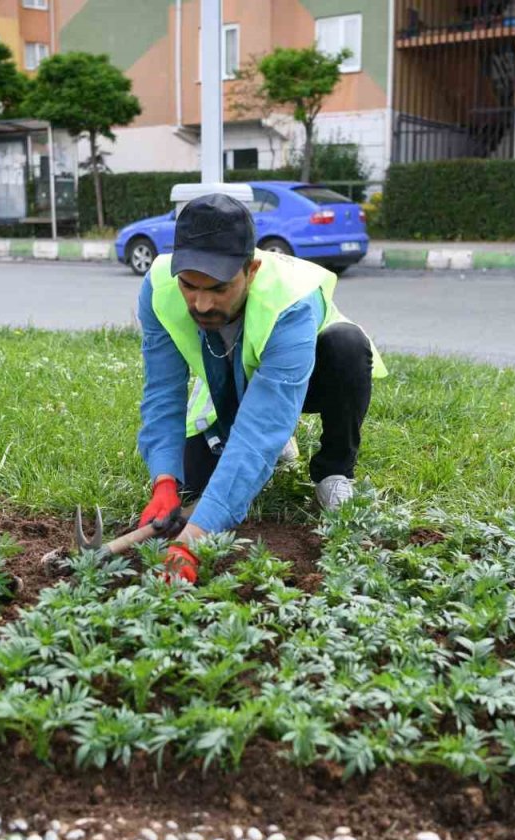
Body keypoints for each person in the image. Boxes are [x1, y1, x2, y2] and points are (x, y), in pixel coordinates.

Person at [135, 192, 387, 583]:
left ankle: (334, 472)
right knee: (196, 479)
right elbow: (163, 394)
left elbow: (261, 426)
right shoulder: (160, 288)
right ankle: (269, 449)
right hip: (229, 380)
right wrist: (165, 479)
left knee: (347, 345)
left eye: (218, 289)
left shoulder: (291, 299)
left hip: (310, 378)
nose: (201, 304)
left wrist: (194, 539)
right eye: (189, 286)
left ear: (250, 270)